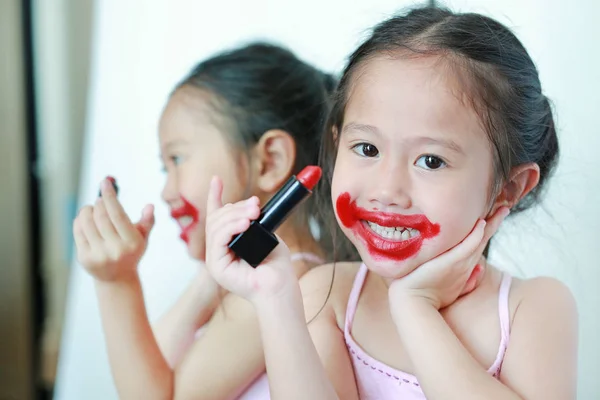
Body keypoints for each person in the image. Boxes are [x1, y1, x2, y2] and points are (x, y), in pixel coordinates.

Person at [203, 7, 578, 400]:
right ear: (335, 144)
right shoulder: (327, 297)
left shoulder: (532, 309)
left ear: (508, 187)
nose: (387, 189)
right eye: (367, 148)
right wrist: (274, 298)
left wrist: (415, 308)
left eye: (431, 161)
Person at [72, 42, 354, 399]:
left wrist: (116, 282)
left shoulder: (281, 285)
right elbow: (154, 362)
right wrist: (207, 281)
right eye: (164, 167)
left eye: (177, 159)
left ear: (269, 161)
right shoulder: (250, 280)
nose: (166, 190)